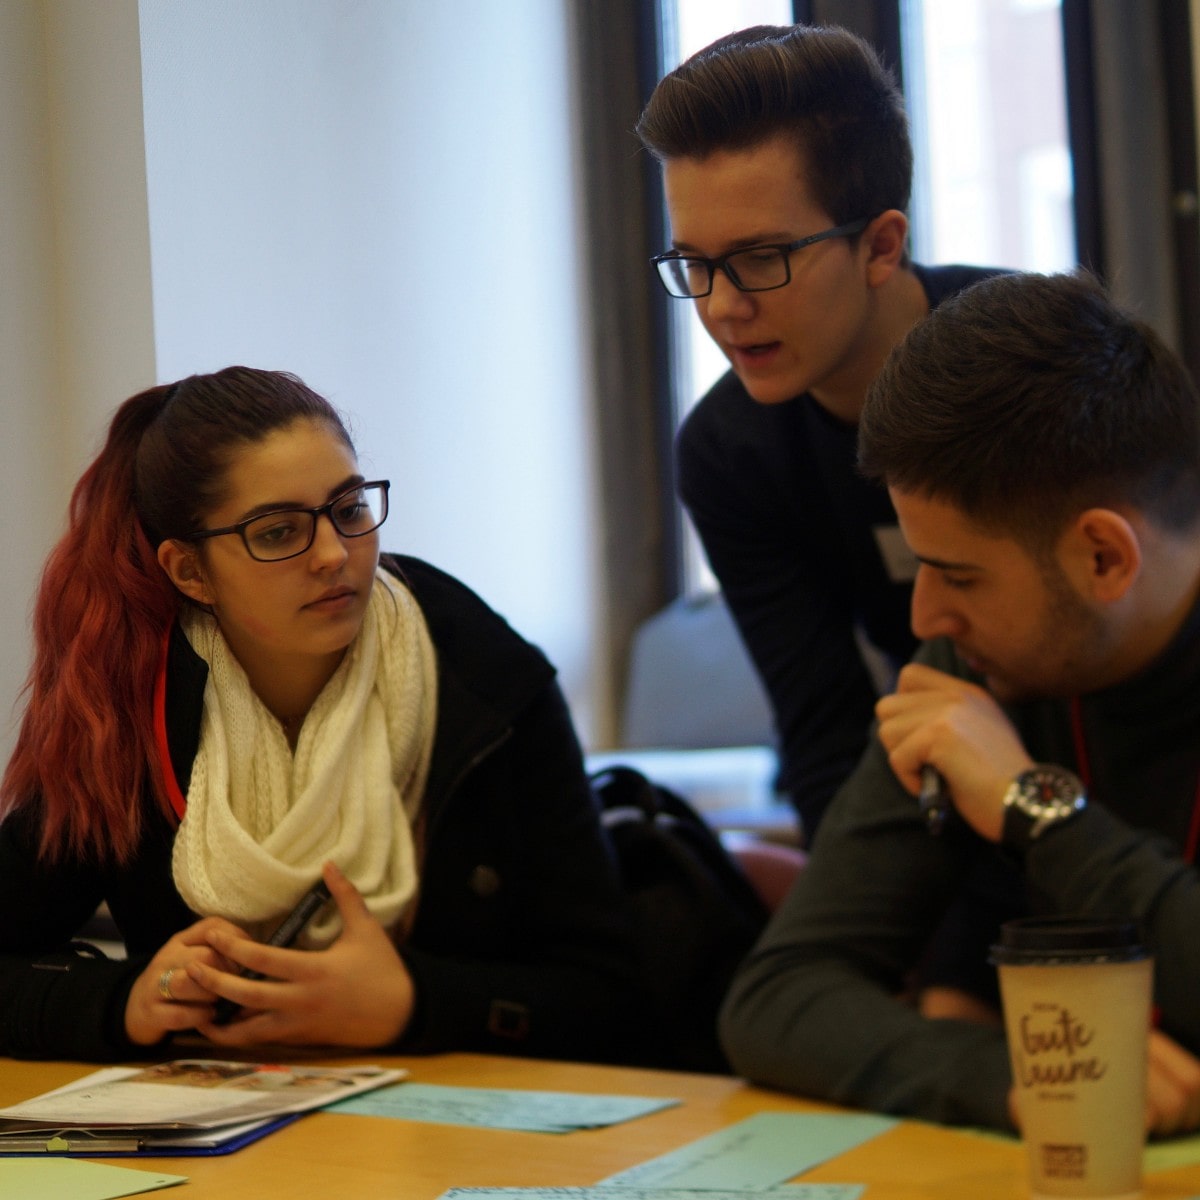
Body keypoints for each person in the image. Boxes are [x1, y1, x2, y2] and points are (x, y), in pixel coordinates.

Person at [0, 366, 645, 1064]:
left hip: (462, 1115)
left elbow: (613, 997)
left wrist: (413, 1003)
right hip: (233, 1118)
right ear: (190, 572)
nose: (335, 554)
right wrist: (126, 1001)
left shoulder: (481, 671)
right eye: (279, 532)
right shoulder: (125, 699)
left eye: (349, 509)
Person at [719, 271, 1200, 1136]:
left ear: (1103, 557)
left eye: (960, 575)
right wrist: (1021, 1078)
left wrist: (1033, 809)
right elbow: (777, 999)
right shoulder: (977, 670)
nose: (924, 618)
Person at [636, 23, 1002, 839]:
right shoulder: (729, 454)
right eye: (695, 264)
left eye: (761, 259)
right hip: (939, 796)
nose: (722, 308)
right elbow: (823, 731)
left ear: (881, 245)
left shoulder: (1035, 363)